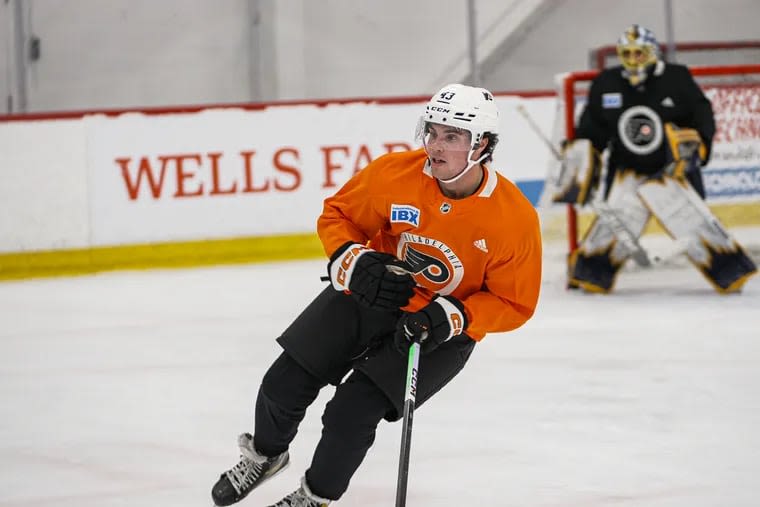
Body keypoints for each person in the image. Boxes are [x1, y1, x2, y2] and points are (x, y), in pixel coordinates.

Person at [210, 83, 542, 506]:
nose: (436, 147)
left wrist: (455, 316)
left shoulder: (513, 219)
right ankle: (266, 456)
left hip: (439, 330)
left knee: (350, 413)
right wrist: (353, 261)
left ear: (483, 145)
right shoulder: (394, 174)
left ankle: (314, 497)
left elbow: (515, 302)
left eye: (452, 137)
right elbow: (339, 215)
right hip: (376, 291)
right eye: (433, 132)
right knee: (283, 383)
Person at [563, 24, 756, 293]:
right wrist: (579, 160)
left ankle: (730, 271)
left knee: (691, 221)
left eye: (639, 53)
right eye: (627, 53)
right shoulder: (607, 83)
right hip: (626, 169)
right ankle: (590, 274)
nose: (632, 60)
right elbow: (592, 128)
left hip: (671, 170)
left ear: (653, 53)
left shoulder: (676, 79)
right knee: (617, 218)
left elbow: (702, 116)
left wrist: (697, 143)